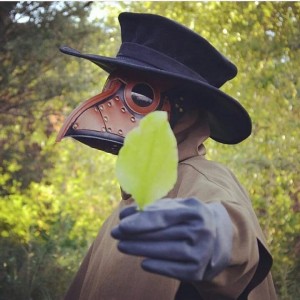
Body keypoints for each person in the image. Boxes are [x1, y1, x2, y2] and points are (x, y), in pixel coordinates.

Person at [56, 12, 277, 300]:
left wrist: (216, 239)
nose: (110, 106)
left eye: (141, 96)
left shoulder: (205, 181)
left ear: (186, 113)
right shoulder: (130, 201)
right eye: (112, 88)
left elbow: (236, 237)